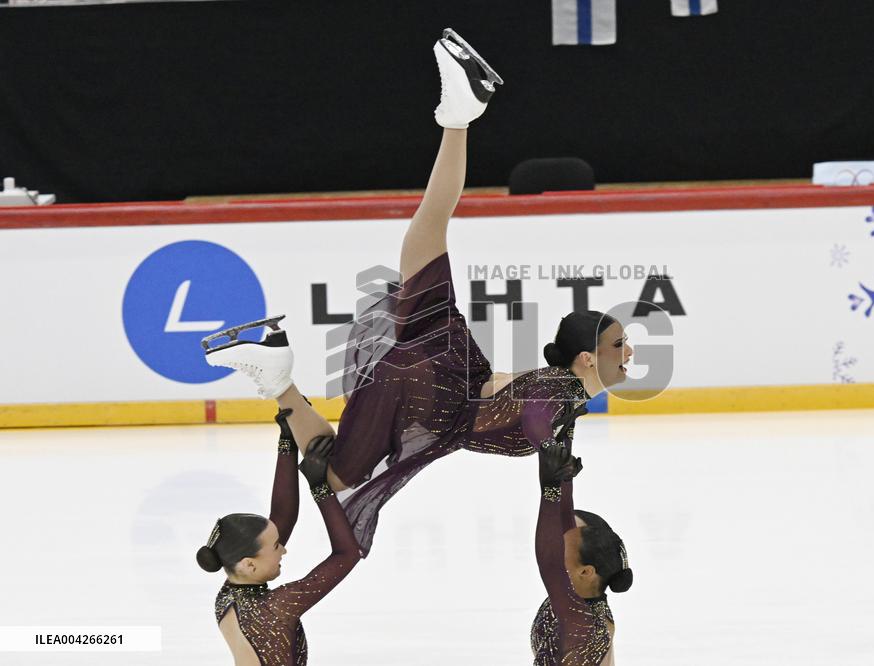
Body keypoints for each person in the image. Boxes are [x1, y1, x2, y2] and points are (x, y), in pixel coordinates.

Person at [202, 29, 634, 555]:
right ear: (586, 360)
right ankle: (277, 374)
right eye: (619, 346)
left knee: (427, 231)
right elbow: (537, 415)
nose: (629, 354)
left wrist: (551, 451)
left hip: (455, 365)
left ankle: (459, 116)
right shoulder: (558, 397)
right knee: (336, 480)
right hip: (435, 398)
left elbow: (504, 388)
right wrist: (550, 454)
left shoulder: (552, 386)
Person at [196, 409, 360, 664]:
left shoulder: (227, 595)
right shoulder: (275, 609)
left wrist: (287, 441)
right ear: (249, 564)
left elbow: (282, 517)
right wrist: (320, 489)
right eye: (276, 547)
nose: (283, 550)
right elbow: (347, 554)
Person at [532, 445, 632, 665]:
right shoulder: (581, 600)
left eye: (563, 544)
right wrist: (564, 477)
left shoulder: (580, 620)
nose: (557, 543)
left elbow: (547, 561)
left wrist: (549, 488)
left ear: (586, 571)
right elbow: (564, 520)